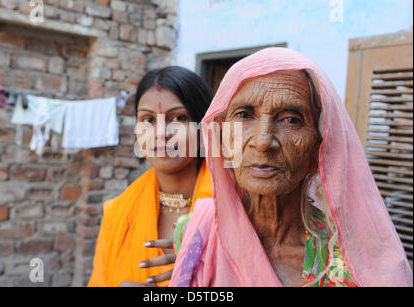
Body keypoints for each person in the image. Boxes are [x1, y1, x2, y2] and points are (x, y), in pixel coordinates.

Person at [169, 48, 413, 287]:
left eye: (291, 120)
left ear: (319, 143)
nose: (263, 141)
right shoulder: (194, 233)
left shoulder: (359, 261)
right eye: (244, 115)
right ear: (221, 135)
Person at [88, 66, 213, 287]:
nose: (160, 133)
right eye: (148, 120)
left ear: (204, 127)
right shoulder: (118, 214)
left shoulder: (237, 208)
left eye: (178, 118)